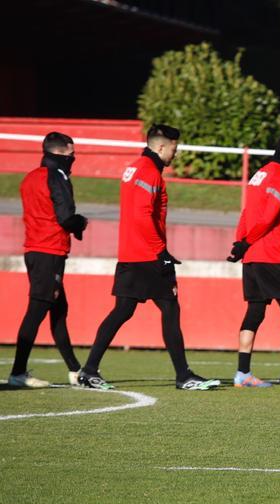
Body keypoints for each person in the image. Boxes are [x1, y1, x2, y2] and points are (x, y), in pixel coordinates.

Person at [77, 124, 219, 391]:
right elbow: (143, 216)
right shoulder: (149, 173)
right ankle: (183, 375)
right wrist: (161, 253)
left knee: (123, 311)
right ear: (161, 147)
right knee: (170, 308)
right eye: (174, 149)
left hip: (131, 254)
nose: (175, 155)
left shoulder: (134, 168)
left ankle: (89, 370)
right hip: (147, 256)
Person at [226, 130, 280, 388]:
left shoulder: (258, 175)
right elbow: (269, 217)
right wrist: (247, 242)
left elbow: (247, 212)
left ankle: (242, 373)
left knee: (255, 312)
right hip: (272, 255)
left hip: (251, 255)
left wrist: (240, 243)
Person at [10, 132, 86, 388]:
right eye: (71, 152)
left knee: (58, 311)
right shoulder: (57, 176)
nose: (74, 157)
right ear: (63, 153)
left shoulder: (30, 178)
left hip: (34, 250)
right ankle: (18, 372)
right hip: (49, 251)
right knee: (37, 310)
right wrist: (80, 223)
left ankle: (75, 370)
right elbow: (65, 216)